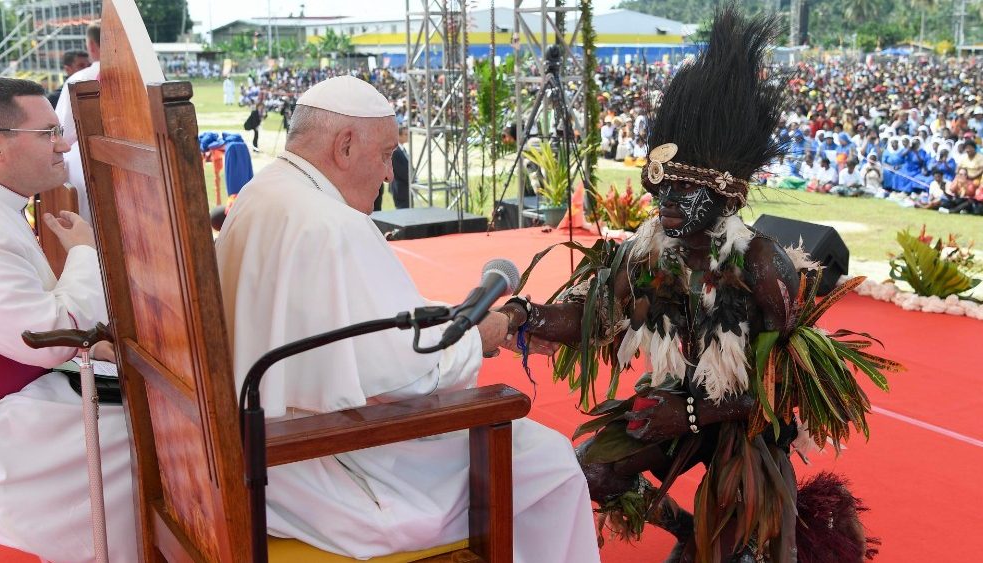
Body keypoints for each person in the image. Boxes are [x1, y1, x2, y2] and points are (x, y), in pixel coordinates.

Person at [498, 7, 894, 561]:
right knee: (591, 468)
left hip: (747, 425)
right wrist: (521, 316)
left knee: (733, 554)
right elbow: (596, 320)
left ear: (728, 198)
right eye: (664, 191)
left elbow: (779, 392)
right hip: (677, 399)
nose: (668, 206)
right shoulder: (647, 251)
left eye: (687, 193)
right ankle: (685, 527)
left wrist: (687, 416)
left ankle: (745, 535)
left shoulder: (763, 265)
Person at [214, 76, 599, 562]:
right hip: (328, 472)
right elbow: (416, 374)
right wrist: (484, 334)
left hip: (264, 456)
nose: (389, 176)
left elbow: (364, 334)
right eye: (385, 156)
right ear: (345, 145)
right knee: (550, 462)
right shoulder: (335, 226)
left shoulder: (260, 193)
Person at [0, 77, 137, 562]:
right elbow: (44, 339)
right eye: (47, 133)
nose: (63, 144)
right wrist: (86, 256)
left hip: (20, 389)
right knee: (156, 437)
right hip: (2, 417)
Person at [55, 24, 101, 222]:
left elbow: (62, 134)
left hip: (87, 168)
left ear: (91, 46)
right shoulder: (141, 76)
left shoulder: (80, 79)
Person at [389, 125, 410, 209]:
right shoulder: (395, 151)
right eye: (406, 134)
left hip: (405, 188)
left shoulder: (402, 149)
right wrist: (411, 179)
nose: (408, 136)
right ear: (399, 136)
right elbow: (399, 171)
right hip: (400, 189)